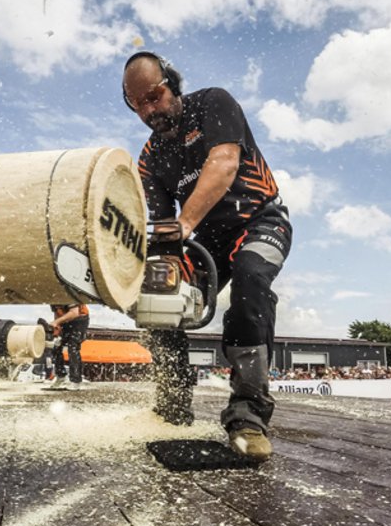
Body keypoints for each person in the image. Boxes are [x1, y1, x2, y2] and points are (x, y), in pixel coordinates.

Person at [123, 51, 292, 462]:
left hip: (261, 220)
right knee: (154, 294)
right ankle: (173, 399)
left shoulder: (212, 102)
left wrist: (185, 222)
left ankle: (248, 415)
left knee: (251, 278)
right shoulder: (149, 160)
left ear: (172, 83)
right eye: (138, 104)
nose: (149, 110)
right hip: (205, 240)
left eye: (155, 96)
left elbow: (224, 163)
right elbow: (165, 230)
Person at [49, 303, 89, 386]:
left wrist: (56, 322)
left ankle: (76, 380)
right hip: (65, 321)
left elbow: (74, 313)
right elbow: (57, 313)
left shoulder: (66, 294)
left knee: (73, 347)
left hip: (79, 320)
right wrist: (57, 327)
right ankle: (61, 375)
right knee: (56, 347)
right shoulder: (52, 297)